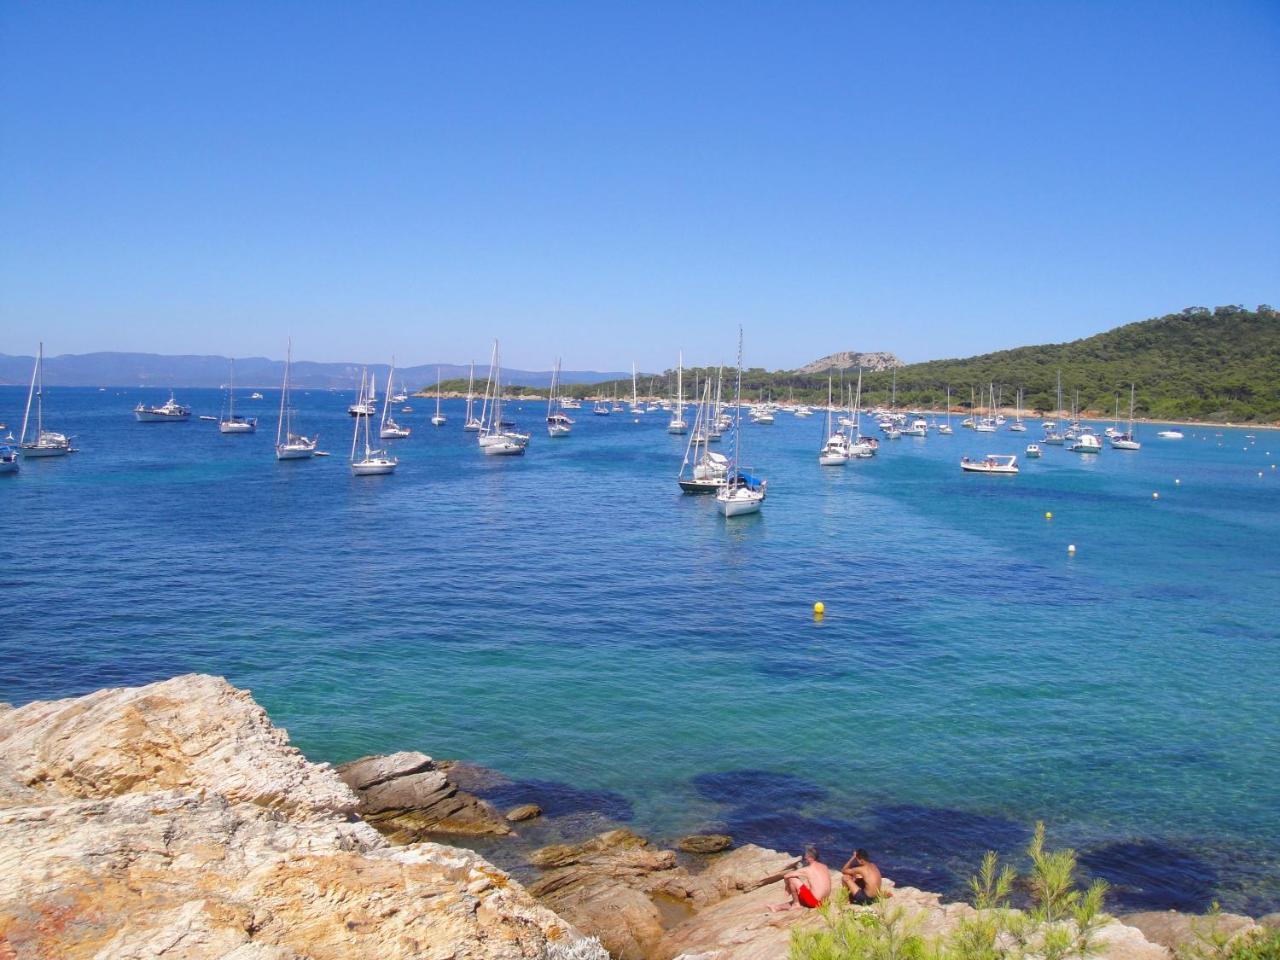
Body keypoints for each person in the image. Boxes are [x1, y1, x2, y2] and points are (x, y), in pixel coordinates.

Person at [766, 845, 832, 912]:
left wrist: (787, 888)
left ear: (810, 858)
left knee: (792, 879)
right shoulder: (824, 867)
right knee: (801, 899)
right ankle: (777, 907)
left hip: (814, 902)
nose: (805, 857)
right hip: (824, 902)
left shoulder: (808, 869)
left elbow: (786, 876)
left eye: (806, 856)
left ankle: (796, 904)